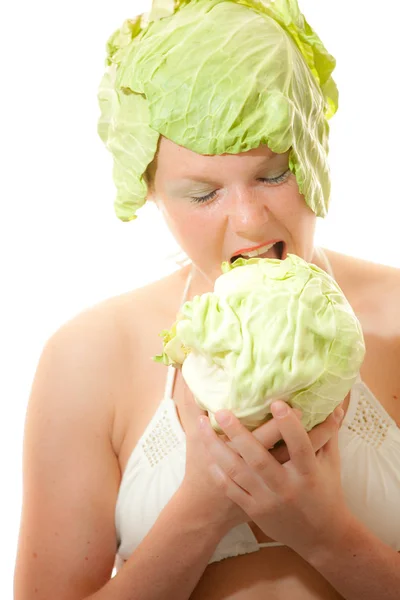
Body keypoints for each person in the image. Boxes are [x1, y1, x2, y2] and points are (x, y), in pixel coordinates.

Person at [14, 1, 400, 599]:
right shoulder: (87, 355)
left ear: (316, 153)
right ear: (151, 192)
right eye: (202, 193)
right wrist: (202, 508)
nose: (249, 220)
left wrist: (326, 535)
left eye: (273, 175)